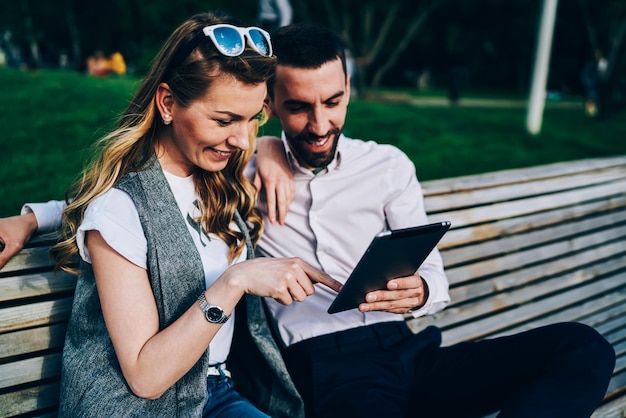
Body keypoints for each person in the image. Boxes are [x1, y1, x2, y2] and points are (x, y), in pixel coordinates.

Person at [0, 22, 616, 418]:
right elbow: (127, 204)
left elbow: (438, 281)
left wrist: (422, 290)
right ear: (274, 105)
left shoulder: (380, 166)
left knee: (583, 347)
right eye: (296, 109)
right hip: (323, 372)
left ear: (349, 91)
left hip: (407, 349)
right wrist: (31, 218)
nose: (319, 124)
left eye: (333, 103)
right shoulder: (232, 173)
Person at [1, 12, 340, 417]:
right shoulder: (118, 209)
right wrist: (236, 281)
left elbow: (88, 203)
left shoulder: (218, 179)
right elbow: (145, 377)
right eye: (224, 119)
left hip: (213, 392)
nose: (242, 139)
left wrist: (35, 216)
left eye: (253, 119)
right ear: (167, 103)